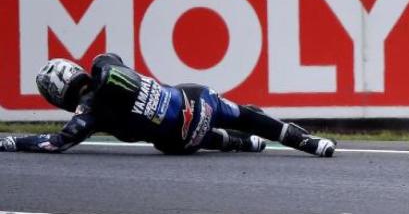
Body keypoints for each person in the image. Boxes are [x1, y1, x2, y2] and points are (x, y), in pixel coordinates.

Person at [0, 53, 335, 157]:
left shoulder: (89, 114)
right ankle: (304, 141)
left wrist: (12, 142)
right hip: (200, 101)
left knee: (150, 132)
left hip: (181, 143)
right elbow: (111, 58)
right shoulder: (103, 63)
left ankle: (240, 142)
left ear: (57, 95)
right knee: (244, 114)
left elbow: (54, 143)